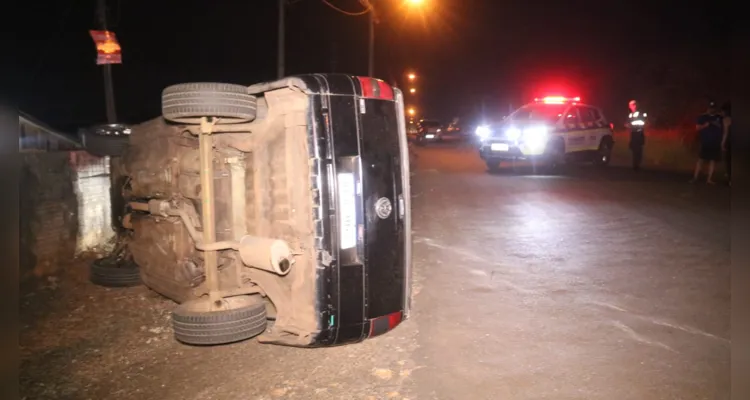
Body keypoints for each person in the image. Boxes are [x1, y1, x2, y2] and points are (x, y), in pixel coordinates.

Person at [691, 101, 723, 184]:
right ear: (707, 108)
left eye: (713, 108)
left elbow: (724, 127)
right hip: (706, 142)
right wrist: (705, 125)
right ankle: (695, 178)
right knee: (701, 160)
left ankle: (709, 179)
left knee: (713, 161)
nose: (711, 109)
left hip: (715, 142)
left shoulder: (719, 117)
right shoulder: (702, 117)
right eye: (710, 108)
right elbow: (697, 128)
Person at [625, 100, 647, 171]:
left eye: (631, 105)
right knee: (634, 149)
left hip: (639, 133)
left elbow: (644, 122)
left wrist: (632, 126)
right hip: (633, 134)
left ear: (635, 105)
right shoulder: (630, 115)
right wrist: (627, 126)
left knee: (638, 149)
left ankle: (637, 164)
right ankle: (635, 164)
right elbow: (628, 123)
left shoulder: (641, 114)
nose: (629, 107)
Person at [721, 102, 731, 186]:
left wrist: (722, 143)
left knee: (728, 160)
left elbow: (726, 132)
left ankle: (729, 180)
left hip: (729, 141)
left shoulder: (726, 119)